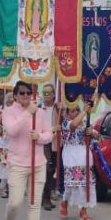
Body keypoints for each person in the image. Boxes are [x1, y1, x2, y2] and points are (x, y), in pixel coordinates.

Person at [0, 80, 53, 220]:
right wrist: (27, 114)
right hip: (17, 164)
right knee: (15, 202)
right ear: (15, 95)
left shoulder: (41, 113)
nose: (25, 96)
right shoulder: (8, 112)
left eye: (28, 92)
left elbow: (49, 134)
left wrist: (40, 137)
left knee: (34, 203)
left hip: (38, 163)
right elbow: (12, 131)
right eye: (21, 93)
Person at [59, 102, 99, 220]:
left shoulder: (86, 122)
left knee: (85, 185)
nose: (76, 112)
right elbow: (73, 125)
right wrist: (84, 111)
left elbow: (97, 137)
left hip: (85, 156)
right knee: (72, 185)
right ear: (67, 114)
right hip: (72, 157)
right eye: (73, 110)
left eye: (77, 109)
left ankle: (83, 210)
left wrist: (92, 133)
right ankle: (64, 202)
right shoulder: (66, 123)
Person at [40, 83, 62, 211]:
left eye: (49, 93)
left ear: (54, 94)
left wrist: (61, 110)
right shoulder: (38, 109)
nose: (47, 95)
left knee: (52, 169)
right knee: (48, 169)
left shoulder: (57, 108)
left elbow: (65, 120)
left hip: (55, 142)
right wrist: (52, 129)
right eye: (45, 93)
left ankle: (47, 195)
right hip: (44, 142)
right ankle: (45, 198)